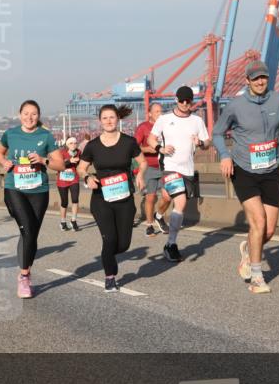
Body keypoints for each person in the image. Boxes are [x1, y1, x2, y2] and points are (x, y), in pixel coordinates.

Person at [213, 60, 279, 294]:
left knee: (269, 230)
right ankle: (257, 277)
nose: (260, 81)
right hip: (243, 169)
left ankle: (248, 254)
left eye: (263, 77)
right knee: (258, 222)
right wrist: (224, 155)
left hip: (271, 168)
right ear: (247, 81)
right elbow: (217, 133)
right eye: (255, 78)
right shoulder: (235, 106)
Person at [0, 100, 66, 298]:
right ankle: (24, 276)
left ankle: (25, 267)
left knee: (31, 233)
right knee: (27, 227)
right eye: (26, 113)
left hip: (39, 190)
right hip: (14, 188)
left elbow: (61, 165)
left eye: (34, 114)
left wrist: (44, 160)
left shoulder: (46, 136)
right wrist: (4, 161)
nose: (29, 117)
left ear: (38, 116)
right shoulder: (11, 133)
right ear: (19, 115)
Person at [78, 105, 147, 292]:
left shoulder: (129, 142)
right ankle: (110, 277)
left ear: (118, 119)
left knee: (123, 244)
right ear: (100, 121)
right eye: (105, 118)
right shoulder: (93, 146)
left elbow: (143, 161)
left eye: (112, 117)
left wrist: (140, 175)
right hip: (101, 199)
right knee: (109, 240)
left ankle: (107, 255)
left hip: (124, 198)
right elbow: (81, 168)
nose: (109, 121)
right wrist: (87, 177)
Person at [148, 87, 210, 262]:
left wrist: (201, 143)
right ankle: (171, 245)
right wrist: (160, 148)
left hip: (188, 170)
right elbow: (151, 139)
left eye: (188, 101)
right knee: (180, 201)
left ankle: (158, 216)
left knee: (169, 199)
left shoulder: (197, 121)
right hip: (170, 167)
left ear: (192, 101)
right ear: (176, 99)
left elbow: (207, 141)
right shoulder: (164, 119)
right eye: (182, 100)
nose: (185, 104)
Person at [134, 103, 164, 236]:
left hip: (165, 166)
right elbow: (134, 146)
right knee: (151, 197)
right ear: (150, 113)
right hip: (150, 166)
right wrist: (148, 149)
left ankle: (159, 215)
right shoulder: (143, 127)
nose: (160, 113)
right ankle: (150, 224)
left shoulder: (166, 126)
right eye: (156, 111)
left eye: (161, 111)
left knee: (167, 195)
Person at [57, 136, 82, 231]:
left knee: (75, 199)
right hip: (62, 180)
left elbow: (82, 163)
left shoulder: (79, 152)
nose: (74, 145)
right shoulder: (61, 152)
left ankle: (73, 221)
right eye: (71, 143)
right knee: (64, 202)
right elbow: (58, 165)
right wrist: (69, 161)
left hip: (74, 179)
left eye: (75, 143)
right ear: (67, 145)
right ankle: (63, 222)